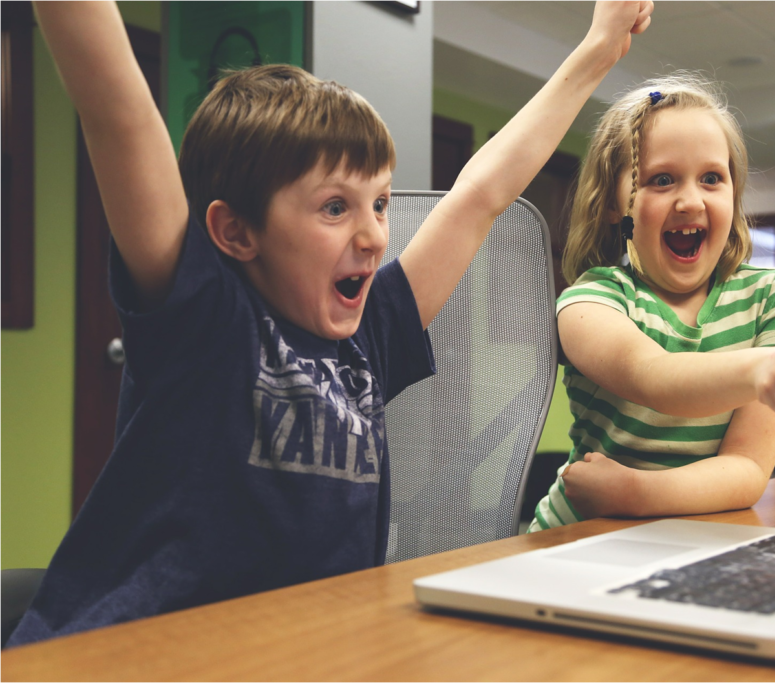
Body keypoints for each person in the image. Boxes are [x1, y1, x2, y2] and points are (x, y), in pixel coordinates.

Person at [10, 0, 654, 646]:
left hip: (300, 649)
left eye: (378, 202)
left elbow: (480, 196)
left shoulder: (369, 335)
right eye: (335, 207)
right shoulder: (202, 316)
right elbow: (117, 115)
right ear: (234, 231)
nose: (376, 235)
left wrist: (598, 48)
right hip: (131, 654)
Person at [528, 72, 775, 532]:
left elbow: (748, 470)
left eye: (712, 178)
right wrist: (763, 369)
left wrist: (636, 494)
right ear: (614, 204)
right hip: (578, 537)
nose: (690, 201)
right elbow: (656, 378)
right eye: (662, 179)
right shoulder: (590, 301)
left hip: (692, 538)